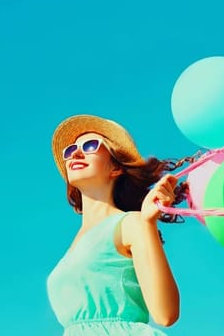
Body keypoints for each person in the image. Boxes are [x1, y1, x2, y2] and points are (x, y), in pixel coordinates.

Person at [46, 114, 190, 335]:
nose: (75, 152)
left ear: (116, 168)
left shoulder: (131, 224)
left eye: (90, 146)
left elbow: (165, 314)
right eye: (70, 150)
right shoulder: (75, 245)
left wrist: (148, 223)